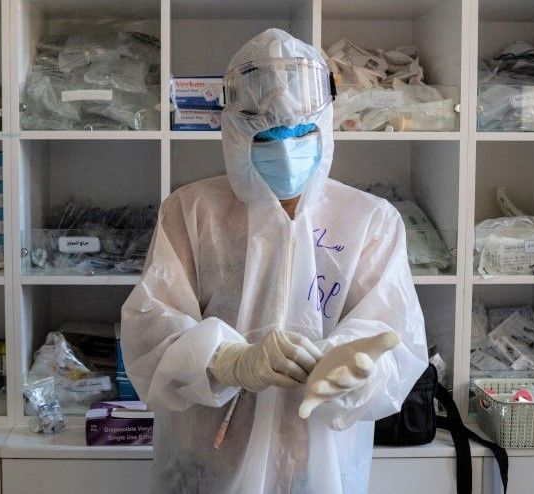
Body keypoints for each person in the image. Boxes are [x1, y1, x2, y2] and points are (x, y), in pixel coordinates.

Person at [121, 28, 428, 493]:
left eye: (301, 133)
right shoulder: (192, 211)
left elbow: (395, 342)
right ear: (234, 134)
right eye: (267, 138)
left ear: (324, 127)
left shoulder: (369, 221)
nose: (286, 150)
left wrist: (355, 370)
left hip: (319, 463)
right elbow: (150, 329)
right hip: (208, 463)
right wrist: (225, 360)